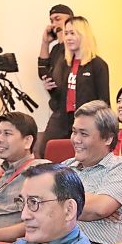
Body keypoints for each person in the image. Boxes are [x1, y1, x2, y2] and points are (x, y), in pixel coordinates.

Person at [62, 100, 122, 244]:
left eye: (84, 134)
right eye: (74, 132)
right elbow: (36, 202)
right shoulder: (67, 166)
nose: (76, 140)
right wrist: (85, 203)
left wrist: (55, 203)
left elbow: (98, 209)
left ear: (108, 138)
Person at [40, 16, 110, 155]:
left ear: (83, 35)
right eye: (66, 33)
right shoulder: (65, 64)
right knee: (46, 150)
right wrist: (51, 90)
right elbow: (62, 97)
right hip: (64, 120)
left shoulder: (98, 65)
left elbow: (104, 101)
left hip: (87, 122)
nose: (68, 37)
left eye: (73, 33)